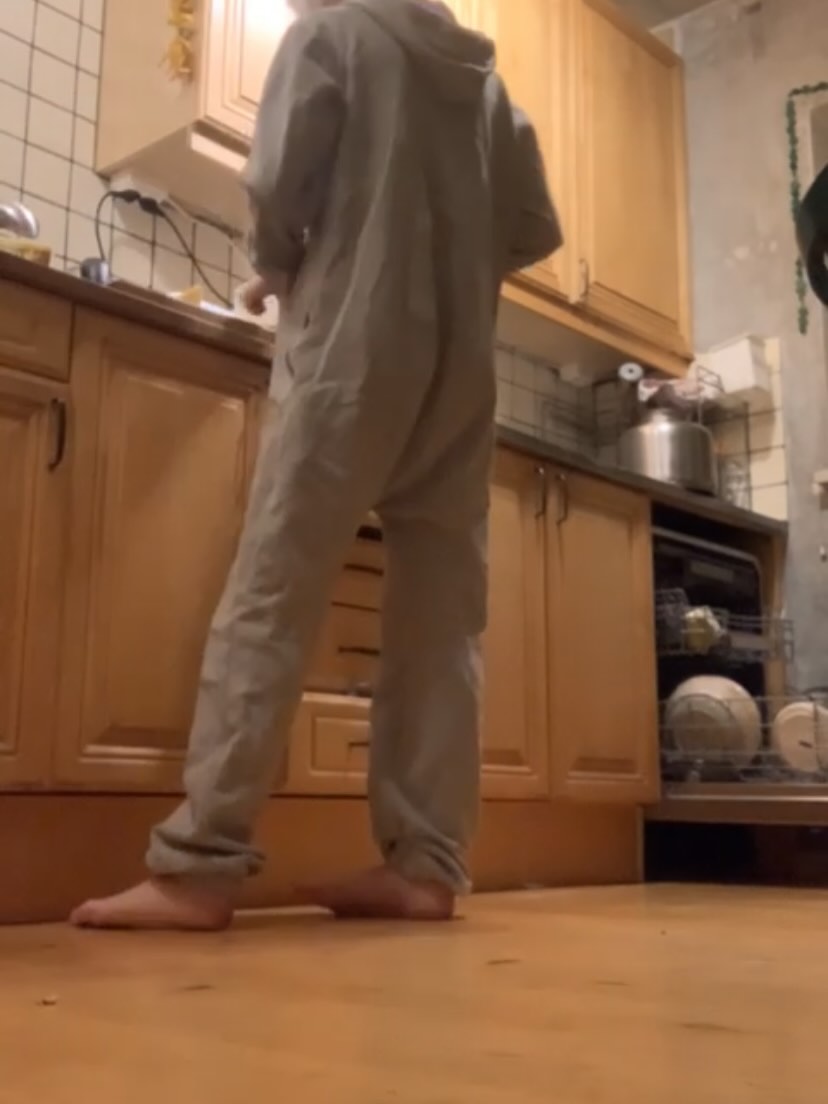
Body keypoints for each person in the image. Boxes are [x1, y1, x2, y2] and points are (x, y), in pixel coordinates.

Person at [70, 0, 561, 931]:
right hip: (459, 376)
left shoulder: (331, 36)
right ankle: (426, 866)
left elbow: (275, 188)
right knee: (441, 625)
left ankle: (198, 869)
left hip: (350, 356)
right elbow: (530, 229)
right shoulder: (490, 90)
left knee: (273, 594)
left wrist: (286, 267)